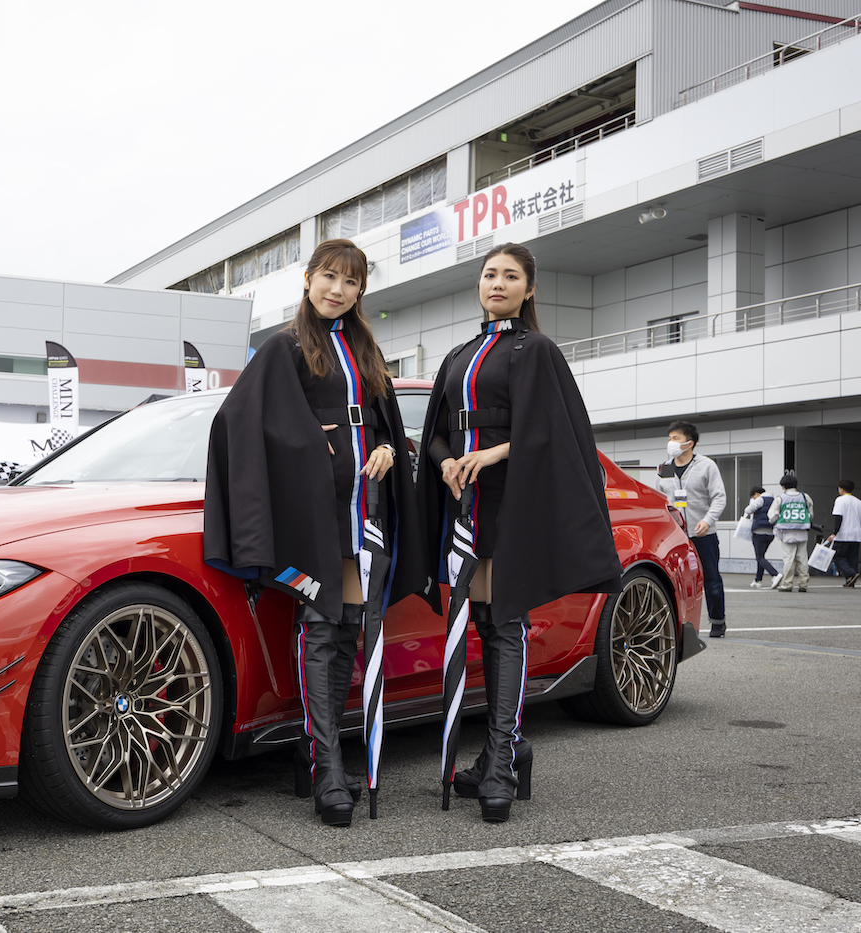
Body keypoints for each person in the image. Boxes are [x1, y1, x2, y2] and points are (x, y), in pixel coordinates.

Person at [205, 238, 437, 828]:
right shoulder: (283, 348)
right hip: (315, 513)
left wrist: (387, 448)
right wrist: (312, 440)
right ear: (307, 279)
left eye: (351, 281)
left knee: (349, 626)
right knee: (321, 624)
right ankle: (326, 766)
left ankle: (325, 754)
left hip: (368, 507)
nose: (338, 289)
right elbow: (237, 422)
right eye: (329, 276)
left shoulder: (365, 349)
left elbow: (383, 422)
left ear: (361, 292)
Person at [418, 242, 621, 824]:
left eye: (511, 276)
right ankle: (503, 750)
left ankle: (501, 761)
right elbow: (437, 428)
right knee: (481, 623)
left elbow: (553, 430)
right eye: (490, 274)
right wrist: (445, 461)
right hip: (464, 505)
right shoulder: (458, 354)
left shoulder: (537, 350)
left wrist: (492, 453)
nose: (498, 283)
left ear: (529, 289)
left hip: (513, 503)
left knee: (504, 623)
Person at [656, 421, 726, 636]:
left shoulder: (706, 465)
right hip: (676, 536)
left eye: (675, 438)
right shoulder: (664, 468)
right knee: (676, 582)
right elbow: (661, 500)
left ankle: (717, 622)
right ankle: (678, 626)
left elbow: (719, 497)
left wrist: (708, 520)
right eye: (670, 438)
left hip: (703, 534)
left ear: (690, 443)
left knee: (711, 580)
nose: (671, 442)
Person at [768, 474, 814, 592]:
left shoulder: (780, 498)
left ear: (783, 486)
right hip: (802, 531)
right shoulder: (805, 497)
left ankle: (787, 584)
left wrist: (774, 521)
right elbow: (810, 514)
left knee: (789, 558)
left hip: (786, 532)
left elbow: (773, 516)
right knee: (802, 559)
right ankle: (803, 584)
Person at [739, 485, 778, 588]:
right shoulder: (774, 500)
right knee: (761, 557)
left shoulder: (760, 499)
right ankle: (758, 580)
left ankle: (775, 574)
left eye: (753, 497)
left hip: (759, 532)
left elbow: (748, 509)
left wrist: (751, 509)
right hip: (770, 532)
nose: (754, 499)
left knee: (759, 557)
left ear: (756, 493)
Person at [825, 479, 860, 588]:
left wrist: (834, 533)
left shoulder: (840, 500)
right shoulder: (858, 501)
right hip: (856, 535)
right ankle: (850, 580)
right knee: (852, 558)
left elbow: (838, 518)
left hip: (843, 534)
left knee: (838, 557)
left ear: (842, 489)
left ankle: (851, 574)